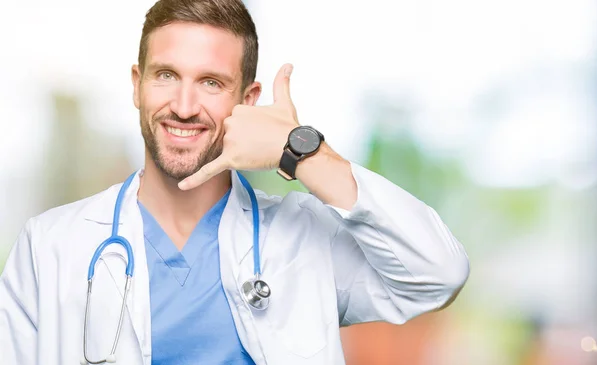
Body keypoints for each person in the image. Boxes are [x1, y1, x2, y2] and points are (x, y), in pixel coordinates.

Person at [0, 0, 470, 364]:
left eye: (211, 83)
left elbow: (437, 275)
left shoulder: (304, 243)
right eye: (166, 75)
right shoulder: (50, 248)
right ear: (137, 85)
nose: (184, 105)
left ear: (248, 100)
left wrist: (301, 149)